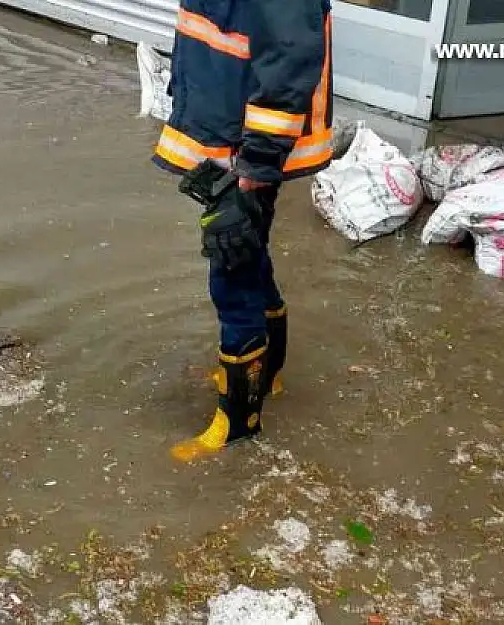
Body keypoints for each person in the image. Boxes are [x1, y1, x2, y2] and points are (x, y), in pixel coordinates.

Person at [151, 0, 334, 462]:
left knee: (231, 267)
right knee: (250, 252)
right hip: (227, 127)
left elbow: (290, 56)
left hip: (246, 146)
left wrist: (258, 160)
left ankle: (238, 421)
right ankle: (267, 370)